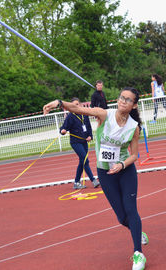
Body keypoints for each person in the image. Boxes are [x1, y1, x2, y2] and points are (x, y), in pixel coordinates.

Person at [44, 87, 148, 270]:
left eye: (128, 99)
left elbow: (134, 156)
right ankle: (136, 230)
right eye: (121, 97)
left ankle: (138, 254)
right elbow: (78, 109)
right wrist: (59, 103)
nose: (123, 101)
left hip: (125, 171)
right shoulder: (104, 114)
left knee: (131, 210)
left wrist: (122, 165)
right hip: (105, 173)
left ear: (134, 105)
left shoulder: (134, 127)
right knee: (122, 217)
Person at [60, 97, 100, 190]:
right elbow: (64, 127)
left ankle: (77, 182)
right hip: (75, 142)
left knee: (82, 161)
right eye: (74, 105)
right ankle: (93, 180)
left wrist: (90, 135)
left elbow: (88, 126)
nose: (76, 106)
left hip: (84, 141)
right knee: (85, 160)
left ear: (80, 104)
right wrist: (63, 131)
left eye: (77, 104)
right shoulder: (70, 116)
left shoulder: (84, 114)